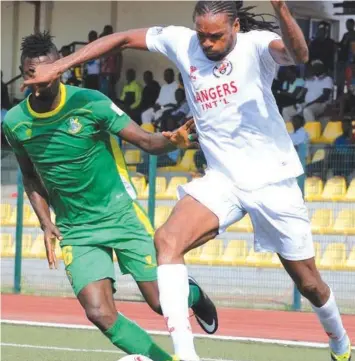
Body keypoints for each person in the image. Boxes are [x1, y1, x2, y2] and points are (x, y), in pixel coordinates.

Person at [21, 2, 352, 361]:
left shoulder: (257, 46)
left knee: (309, 284)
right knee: (166, 240)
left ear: (236, 27)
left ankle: (340, 344)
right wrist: (61, 65)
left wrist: (282, 9)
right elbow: (121, 39)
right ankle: (185, 356)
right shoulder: (182, 42)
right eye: (202, 35)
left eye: (216, 36)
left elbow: (298, 53)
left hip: (272, 183)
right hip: (222, 180)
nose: (207, 44)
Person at [5, 31, 218, 361]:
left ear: (60, 68)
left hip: (120, 215)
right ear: (25, 73)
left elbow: (146, 142)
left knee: (162, 303)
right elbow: (30, 175)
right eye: (33, 74)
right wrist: (46, 222)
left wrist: (172, 141)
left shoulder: (91, 103)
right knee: (99, 313)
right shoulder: (16, 122)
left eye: (48, 72)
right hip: (76, 229)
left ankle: (192, 293)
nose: (41, 81)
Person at [282, 60, 333, 125]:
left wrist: (310, 103)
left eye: (317, 66)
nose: (314, 68)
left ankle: (311, 133)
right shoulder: (310, 79)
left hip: (320, 104)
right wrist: (297, 104)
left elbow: (325, 96)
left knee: (307, 110)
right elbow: (302, 94)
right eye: (313, 67)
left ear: (321, 67)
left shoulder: (327, 79)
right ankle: (289, 133)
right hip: (306, 104)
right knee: (286, 111)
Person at [99, 25, 122, 100]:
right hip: (102, 72)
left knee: (110, 91)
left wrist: (118, 71)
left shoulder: (115, 43)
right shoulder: (103, 43)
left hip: (111, 72)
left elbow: (119, 57)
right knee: (102, 91)